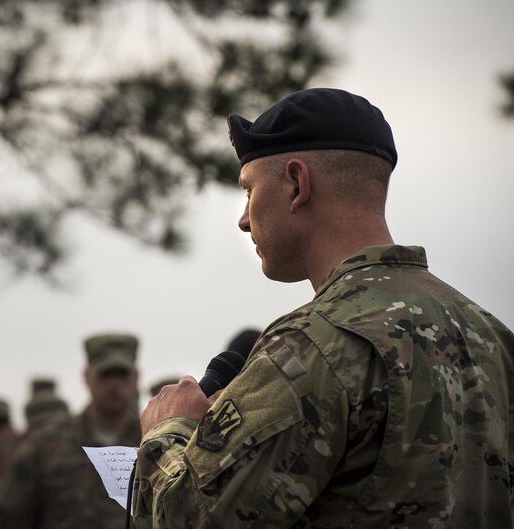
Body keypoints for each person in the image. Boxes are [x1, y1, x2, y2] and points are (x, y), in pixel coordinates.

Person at [134, 88, 514, 527]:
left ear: (297, 183)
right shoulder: (494, 339)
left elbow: (189, 519)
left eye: (249, 190)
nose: (243, 218)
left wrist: (169, 430)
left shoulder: (313, 345)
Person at [0, 333, 142, 528]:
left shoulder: (154, 445)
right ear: (87, 377)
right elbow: (11, 517)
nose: (114, 385)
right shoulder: (45, 444)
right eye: (105, 375)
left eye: (121, 375)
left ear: (136, 378)